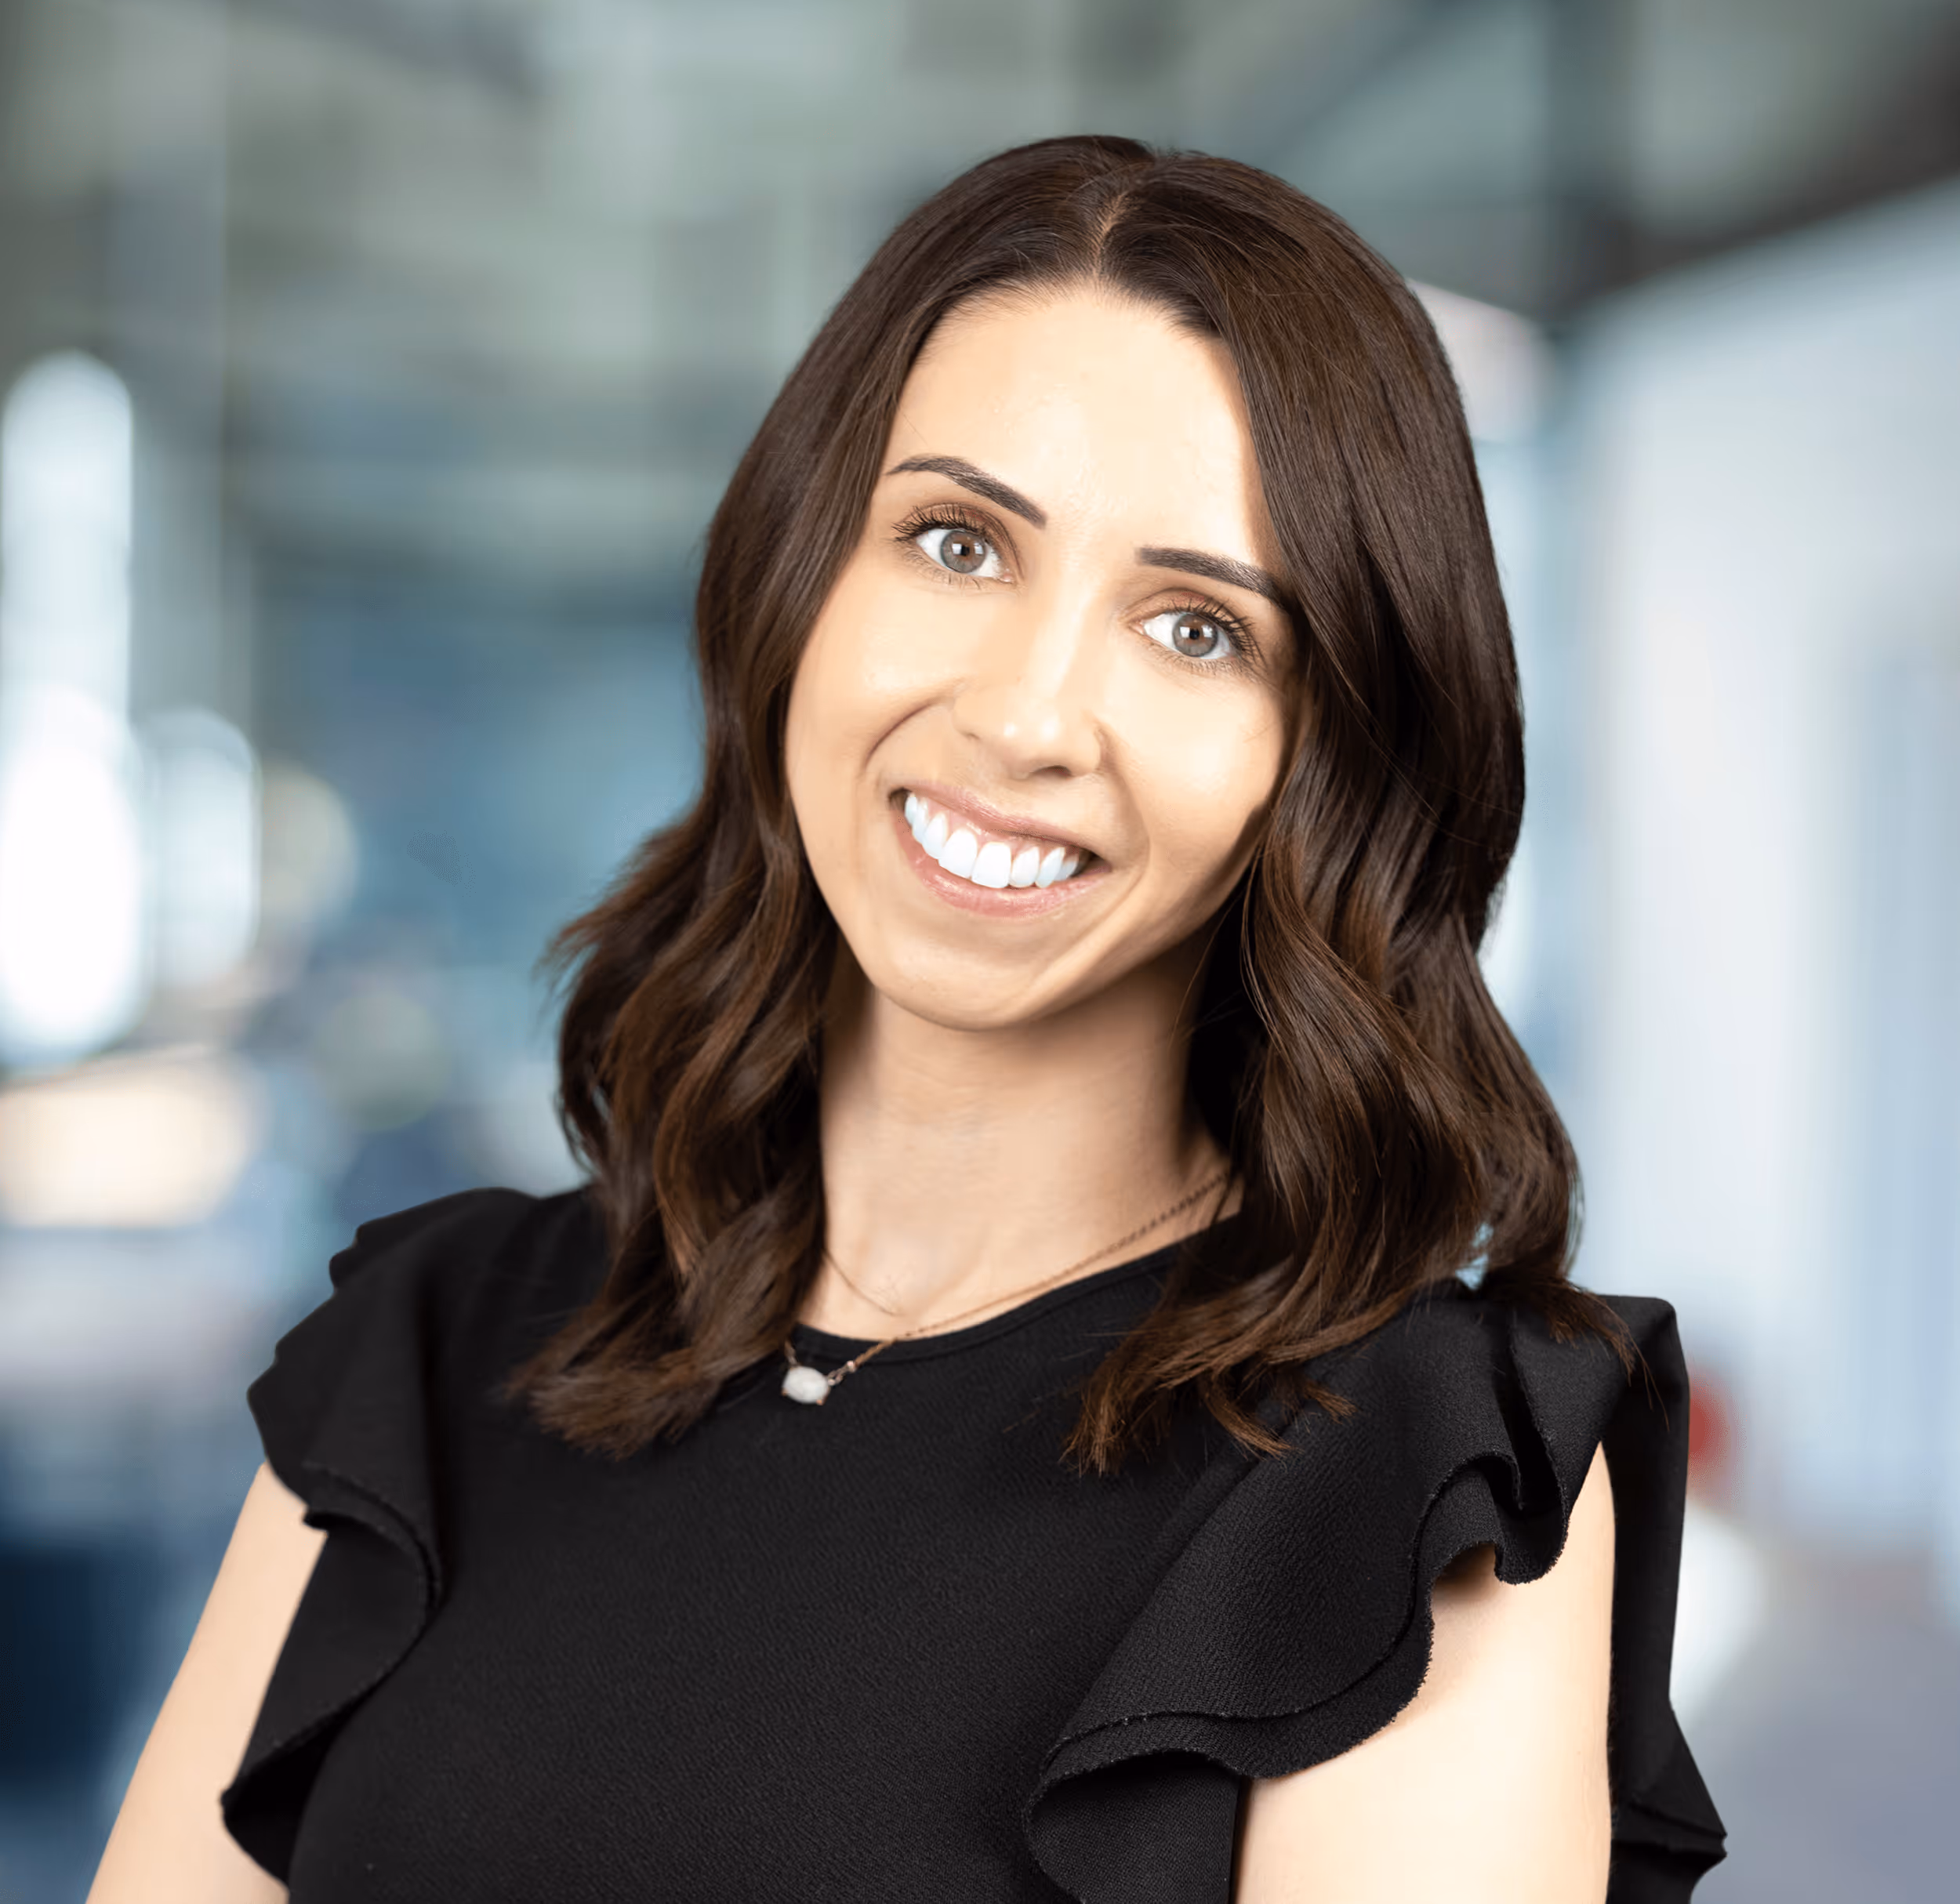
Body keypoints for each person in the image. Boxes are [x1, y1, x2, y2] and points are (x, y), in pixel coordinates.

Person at [88, 135, 1726, 1903]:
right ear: (800, 579)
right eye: (955, 540)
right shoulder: (424, 1359)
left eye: (1193, 628)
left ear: (1327, 760)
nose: (1026, 710)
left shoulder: (1420, 1486)